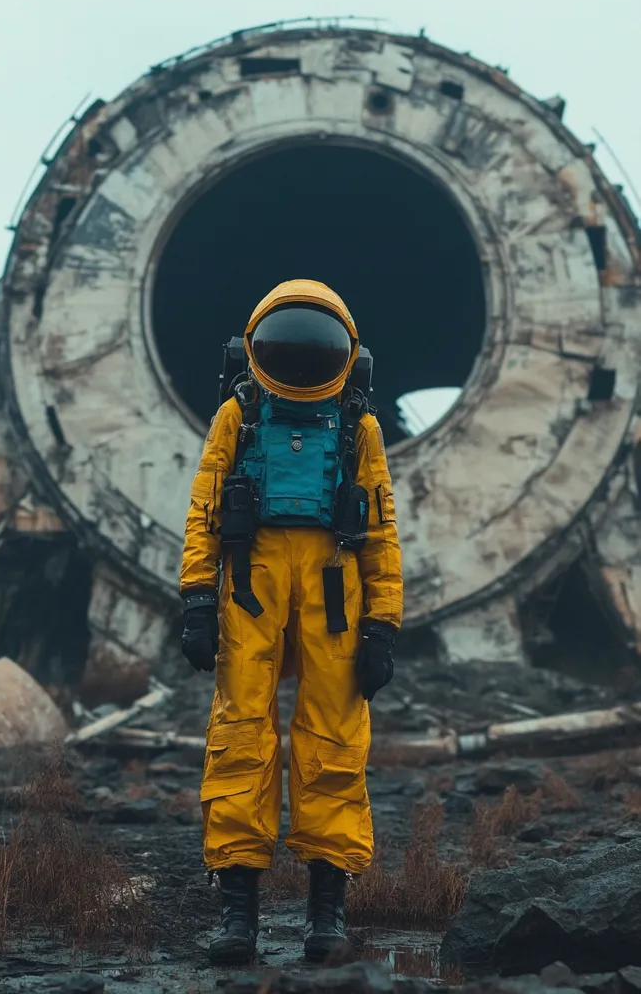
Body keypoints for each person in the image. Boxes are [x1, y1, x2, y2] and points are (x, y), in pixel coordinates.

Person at [180, 279, 403, 965]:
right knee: (242, 732)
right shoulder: (239, 415)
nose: (302, 360)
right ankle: (239, 914)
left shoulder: (356, 423)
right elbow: (206, 505)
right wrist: (195, 598)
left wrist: (382, 626)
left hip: (331, 584)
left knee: (333, 737)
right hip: (254, 580)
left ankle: (325, 916)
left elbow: (380, 525)